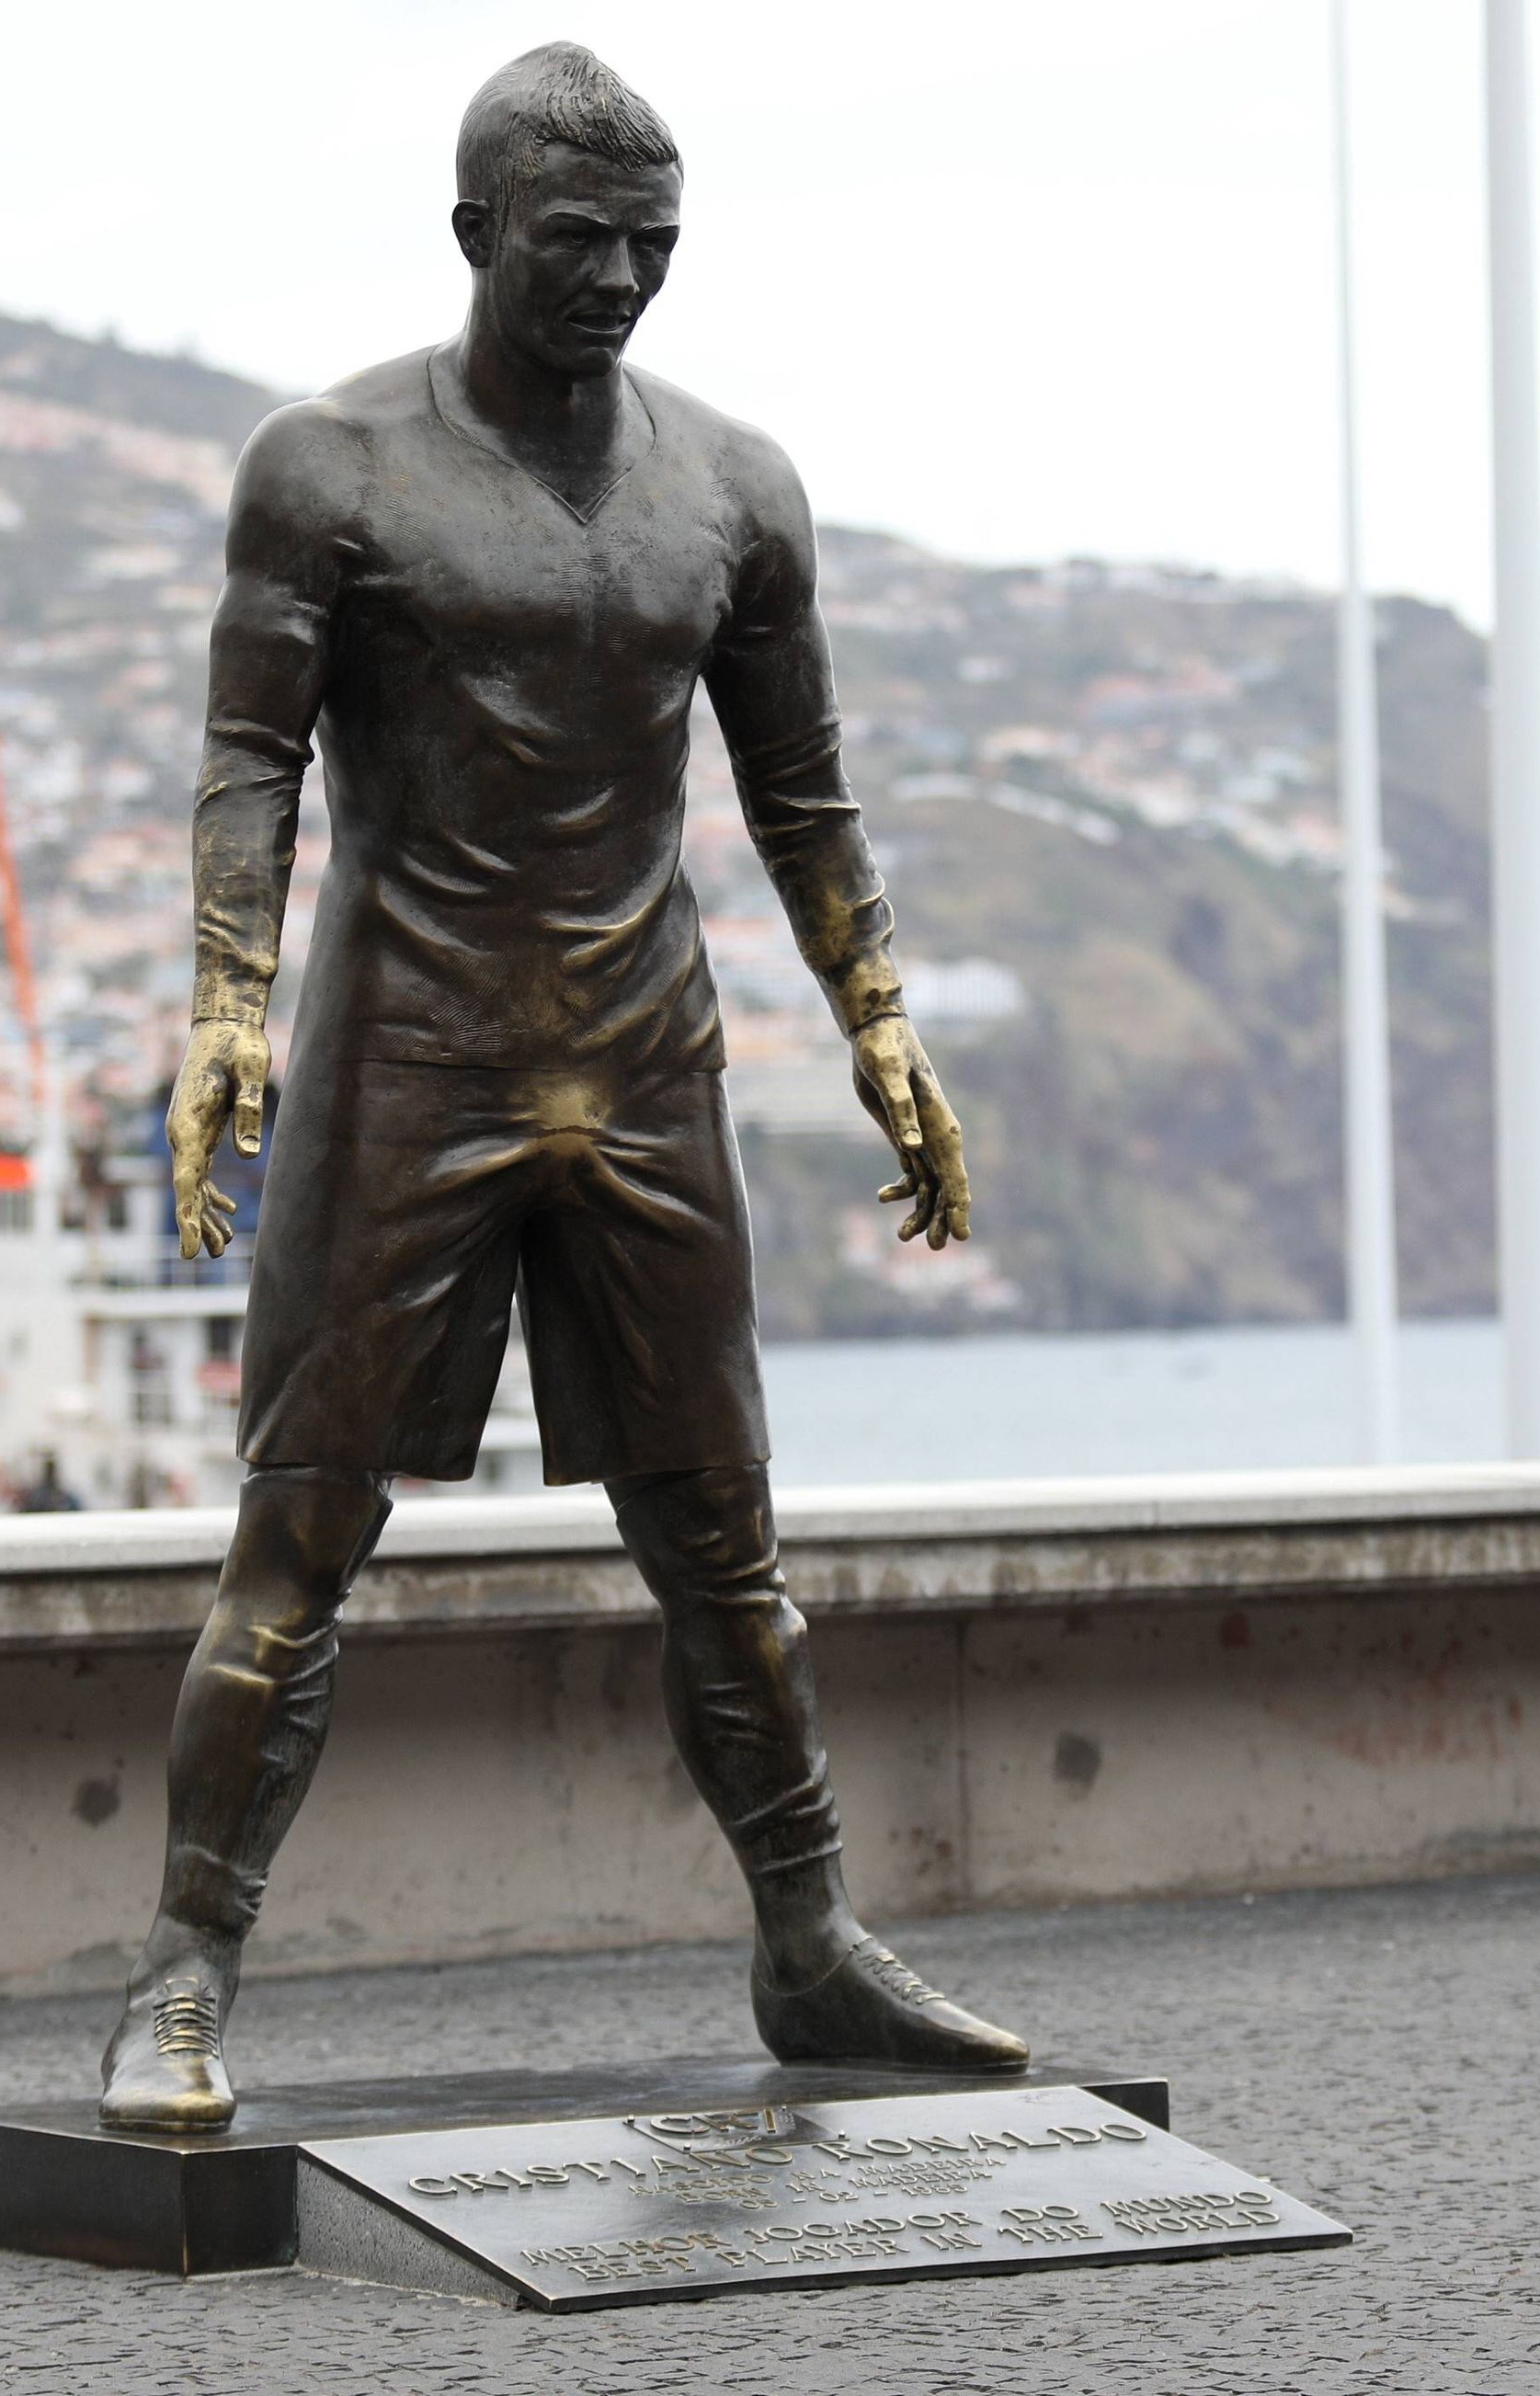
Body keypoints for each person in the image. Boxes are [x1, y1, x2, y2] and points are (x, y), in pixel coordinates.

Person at [96, 45, 1022, 2129]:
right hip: (404, 1051)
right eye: (575, 242)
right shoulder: (325, 471)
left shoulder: (735, 490)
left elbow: (801, 789)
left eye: (651, 247)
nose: (616, 279)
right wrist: (227, 1004)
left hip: (643, 1053)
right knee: (296, 1538)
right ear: (472, 235)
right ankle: (178, 1975)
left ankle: (809, 1938)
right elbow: (246, 758)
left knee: (723, 1542)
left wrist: (879, 1021)